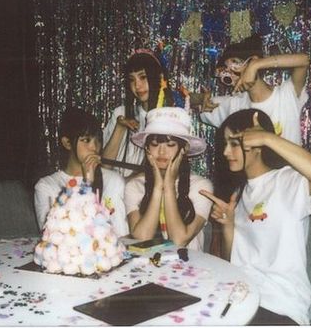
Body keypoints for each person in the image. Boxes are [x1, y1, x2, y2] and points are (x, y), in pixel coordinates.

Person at [200, 108, 311, 325]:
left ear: (258, 147)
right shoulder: (239, 194)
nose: (225, 152)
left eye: (234, 144)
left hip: (281, 304)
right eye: (225, 144)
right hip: (240, 298)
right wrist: (228, 225)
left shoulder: (286, 181)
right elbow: (233, 261)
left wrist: (268, 138)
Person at [195, 34, 311, 146]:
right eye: (226, 72)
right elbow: (191, 100)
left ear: (252, 61)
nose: (232, 76)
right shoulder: (234, 104)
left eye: (235, 65)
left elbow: (304, 60)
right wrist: (201, 98)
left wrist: (256, 65)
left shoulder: (287, 94)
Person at [124, 106, 212, 251]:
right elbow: (142, 238)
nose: (162, 152)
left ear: (183, 150)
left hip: (189, 268)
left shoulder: (201, 187)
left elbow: (179, 240)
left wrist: (169, 187)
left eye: (170, 145)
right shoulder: (134, 186)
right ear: (146, 149)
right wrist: (158, 187)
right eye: (154, 144)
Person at [34, 107, 128, 236]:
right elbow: (51, 236)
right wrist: (87, 184)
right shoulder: (47, 186)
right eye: (86, 140)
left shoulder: (113, 180)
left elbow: (121, 234)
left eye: (98, 141)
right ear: (67, 143)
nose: (94, 147)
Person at [102, 49, 177, 178]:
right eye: (132, 79)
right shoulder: (120, 112)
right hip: (114, 192)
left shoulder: (170, 116)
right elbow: (104, 167)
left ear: (157, 77)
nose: (137, 85)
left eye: (143, 77)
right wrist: (120, 128)